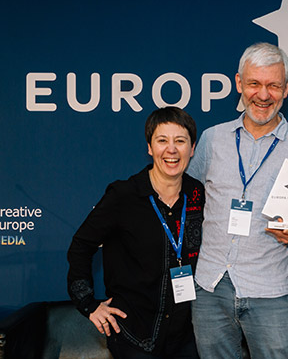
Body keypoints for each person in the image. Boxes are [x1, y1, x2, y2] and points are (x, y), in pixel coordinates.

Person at [187, 42, 288, 359]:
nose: (263, 95)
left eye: (274, 85)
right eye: (255, 84)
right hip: (209, 286)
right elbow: (190, 200)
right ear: (239, 83)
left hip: (270, 290)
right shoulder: (212, 139)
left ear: (286, 88)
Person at [67, 107, 204, 359]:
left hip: (187, 337)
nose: (171, 150)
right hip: (134, 337)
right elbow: (80, 246)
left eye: (180, 141)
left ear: (192, 148)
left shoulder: (199, 195)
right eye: (162, 141)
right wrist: (89, 304)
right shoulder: (124, 196)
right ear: (150, 148)